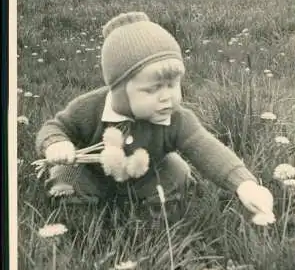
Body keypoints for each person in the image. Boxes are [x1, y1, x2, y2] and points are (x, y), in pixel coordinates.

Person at [35, 12, 274, 221]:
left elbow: (206, 148)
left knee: (176, 170)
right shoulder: (88, 108)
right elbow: (54, 127)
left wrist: (245, 184)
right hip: (94, 177)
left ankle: (155, 222)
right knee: (65, 177)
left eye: (172, 85)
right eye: (152, 89)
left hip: (147, 176)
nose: (166, 97)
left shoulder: (177, 119)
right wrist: (57, 143)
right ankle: (77, 226)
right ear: (119, 90)